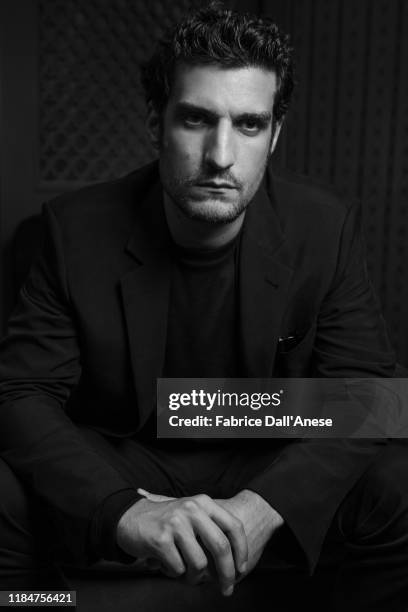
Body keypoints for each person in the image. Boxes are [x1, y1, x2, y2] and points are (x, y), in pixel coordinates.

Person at [0, 4, 407, 610]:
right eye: (195, 119)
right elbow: (19, 393)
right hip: (124, 456)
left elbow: (373, 398)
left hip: (262, 450)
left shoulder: (322, 228)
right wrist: (124, 508)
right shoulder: (75, 229)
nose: (220, 156)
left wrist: (263, 504)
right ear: (155, 121)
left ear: (274, 134)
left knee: (399, 483)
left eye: (248, 125)